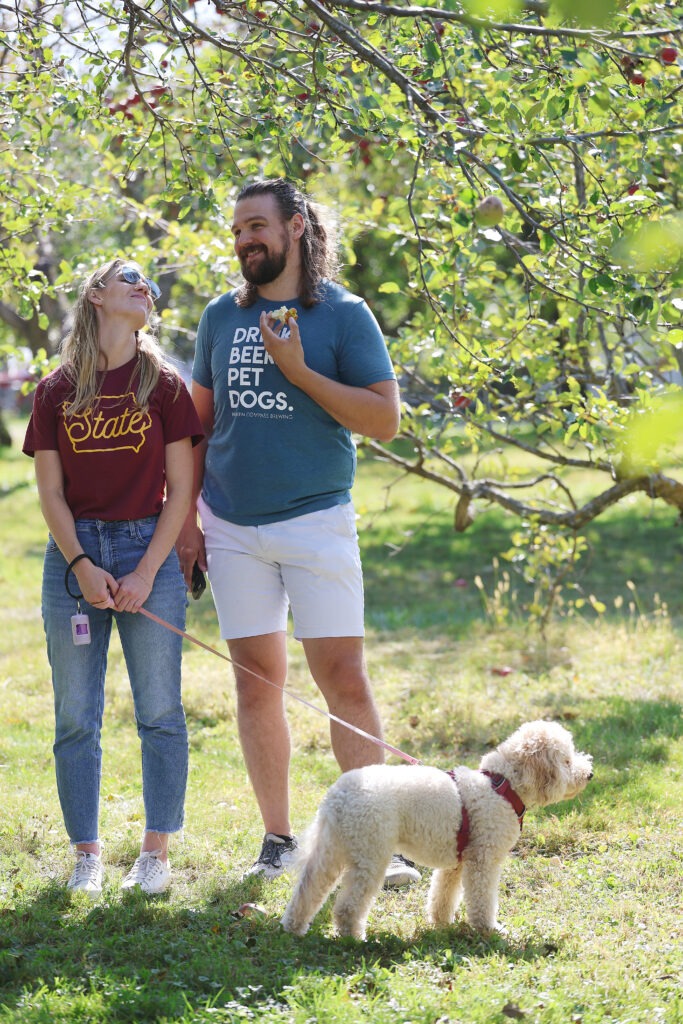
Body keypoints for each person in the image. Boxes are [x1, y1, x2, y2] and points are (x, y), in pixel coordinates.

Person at [176, 177, 420, 887]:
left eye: (256, 225)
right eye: (237, 230)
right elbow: (196, 425)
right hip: (230, 527)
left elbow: (382, 420)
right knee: (256, 685)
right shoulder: (221, 316)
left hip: (316, 522)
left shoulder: (344, 315)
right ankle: (279, 840)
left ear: (295, 229)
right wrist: (189, 521)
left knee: (341, 677)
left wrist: (298, 371)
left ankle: (378, 841)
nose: (244, 239)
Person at [23, 258, 203, 898]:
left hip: (144, 546)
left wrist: (147, 570)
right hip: (74, 558)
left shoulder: (164, 384)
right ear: (96, 296)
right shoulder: (55, 390)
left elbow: (181, 489)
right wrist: (81, 564)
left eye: (148, 283)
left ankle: (155, 854)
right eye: (128, 278)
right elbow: (49, 491)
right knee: (76, 716)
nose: (143, 287)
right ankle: (86, 855)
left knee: (159, 711)